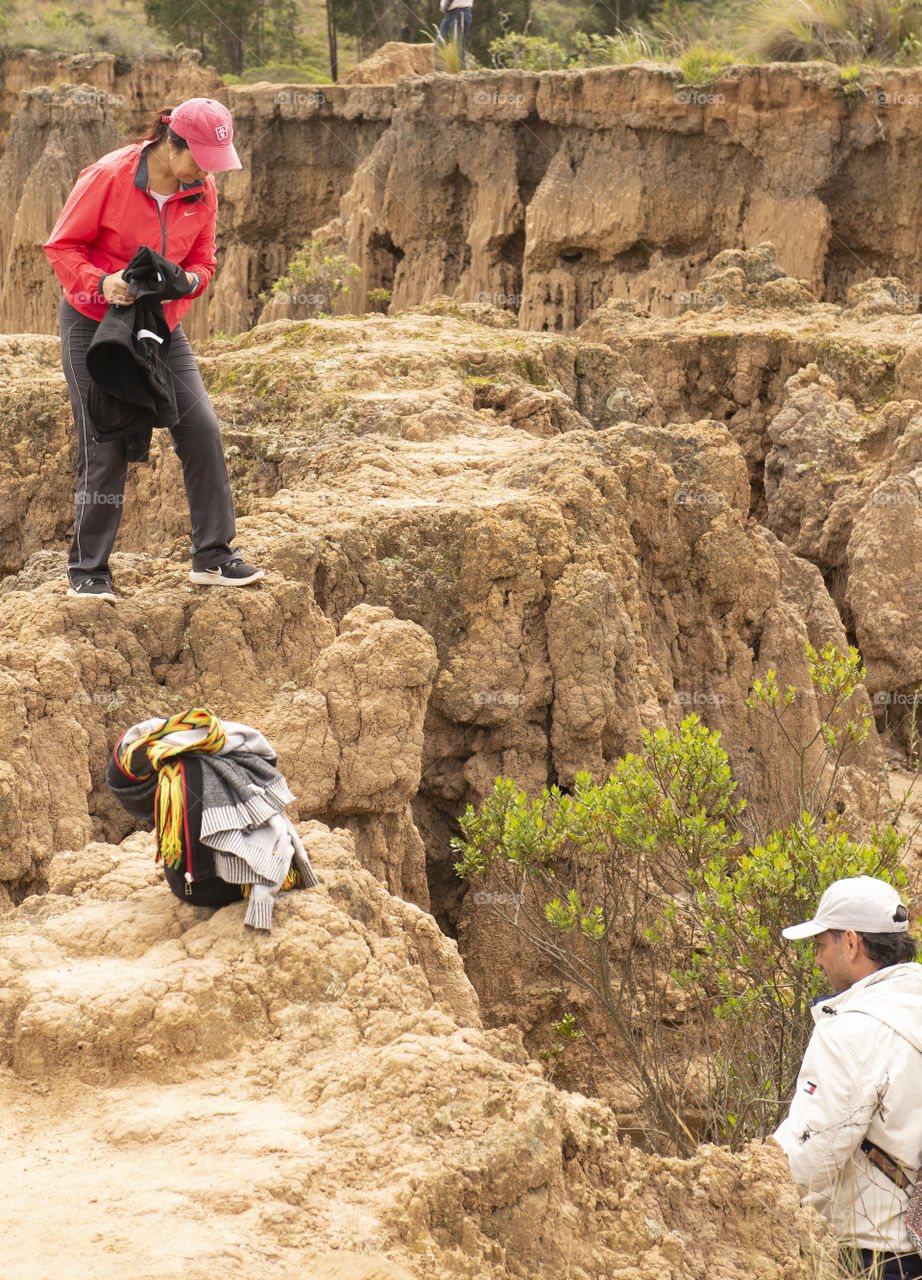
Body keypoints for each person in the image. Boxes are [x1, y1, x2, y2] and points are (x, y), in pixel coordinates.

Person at [44, 97, 264, 600]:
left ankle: (213, 556)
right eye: (201, 159)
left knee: (201, 427)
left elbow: (205, 262)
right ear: (172, 144)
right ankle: (89, 572)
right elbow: (61, 246)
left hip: (158, 326)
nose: (207, 174)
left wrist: (185, 280)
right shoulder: (110, 176)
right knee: (105, 441)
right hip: (94, 321)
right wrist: (103, 283)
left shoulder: (202, 191)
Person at [774, 876, 922, 1279]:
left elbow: (811, 1154)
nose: (818, 960)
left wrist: (747, 1185)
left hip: (871, 1255)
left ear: (852, 943)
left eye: (822, 945)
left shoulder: (852, 1031)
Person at [437, 0, 473, 69]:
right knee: (439, 46)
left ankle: (461, 75)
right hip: (448, 14)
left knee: (458, 47)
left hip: (460, 12)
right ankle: (441, 76)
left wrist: (445, 6)